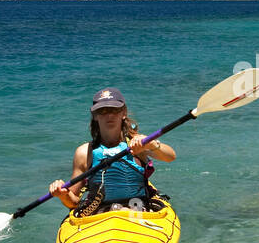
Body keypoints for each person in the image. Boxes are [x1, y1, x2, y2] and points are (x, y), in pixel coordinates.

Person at [49, 88, 175, 216]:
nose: (109, 115)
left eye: (114, 110)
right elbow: (73, 202)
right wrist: (62, 194)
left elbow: (170, 156)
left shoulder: (137, 143)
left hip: (137, 209)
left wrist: (152, 144)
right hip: (100, 214)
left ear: (123, 113)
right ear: (95, 116)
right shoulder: (84, 153)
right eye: (103, 111)